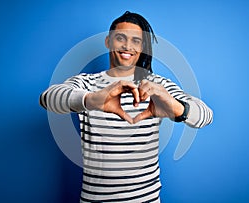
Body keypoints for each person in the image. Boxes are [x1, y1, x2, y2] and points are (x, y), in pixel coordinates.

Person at [40, 11, 213, 203]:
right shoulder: (87, 84)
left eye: (136, 41)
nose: (127, 46)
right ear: (108, 41)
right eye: (120, 38)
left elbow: (205, 115)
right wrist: (93, 100)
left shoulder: (157, 87)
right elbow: (47, 98)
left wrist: (176, 108)